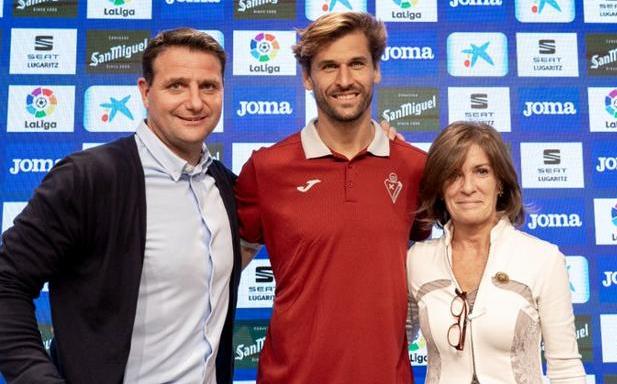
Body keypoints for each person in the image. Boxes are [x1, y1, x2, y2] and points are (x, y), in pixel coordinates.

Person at [0, 28, 242, 383]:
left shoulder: (225, 185)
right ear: (145, 92)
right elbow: (7, 284)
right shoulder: (88, 178)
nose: (194, 102)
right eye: (176, 86)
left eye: (208, 86)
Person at [235, 11, 429, 384]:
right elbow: (221, 266)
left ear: (376, 70)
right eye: (328, 67)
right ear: (307, 77)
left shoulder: (415, 168)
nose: (344, 80)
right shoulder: (266, 168)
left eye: (357, 63)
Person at [406, 121, 586, 383]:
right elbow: (391, 346)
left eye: (481, 172)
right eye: (453, 175)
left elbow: (566, 368)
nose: (468, 187)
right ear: (440, 189)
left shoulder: (543, 259)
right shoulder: (417, 260)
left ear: (500, 182)